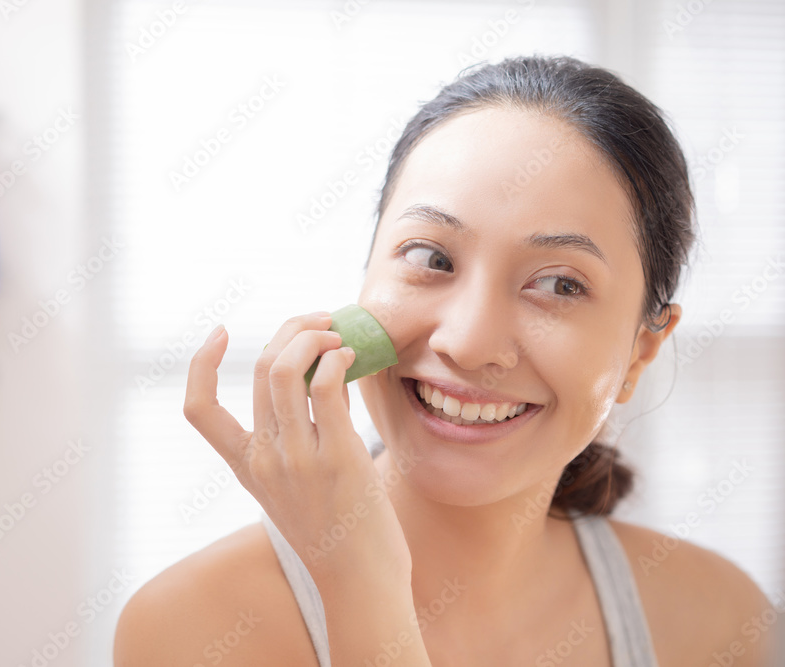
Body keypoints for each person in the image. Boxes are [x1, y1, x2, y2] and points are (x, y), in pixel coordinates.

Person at [114, 55, 778, 666]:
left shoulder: (719, 621)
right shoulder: (188, 629)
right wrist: (361, 581)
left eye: (559, 284)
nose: (467, 340)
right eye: (432, 258)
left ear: (641, 350)